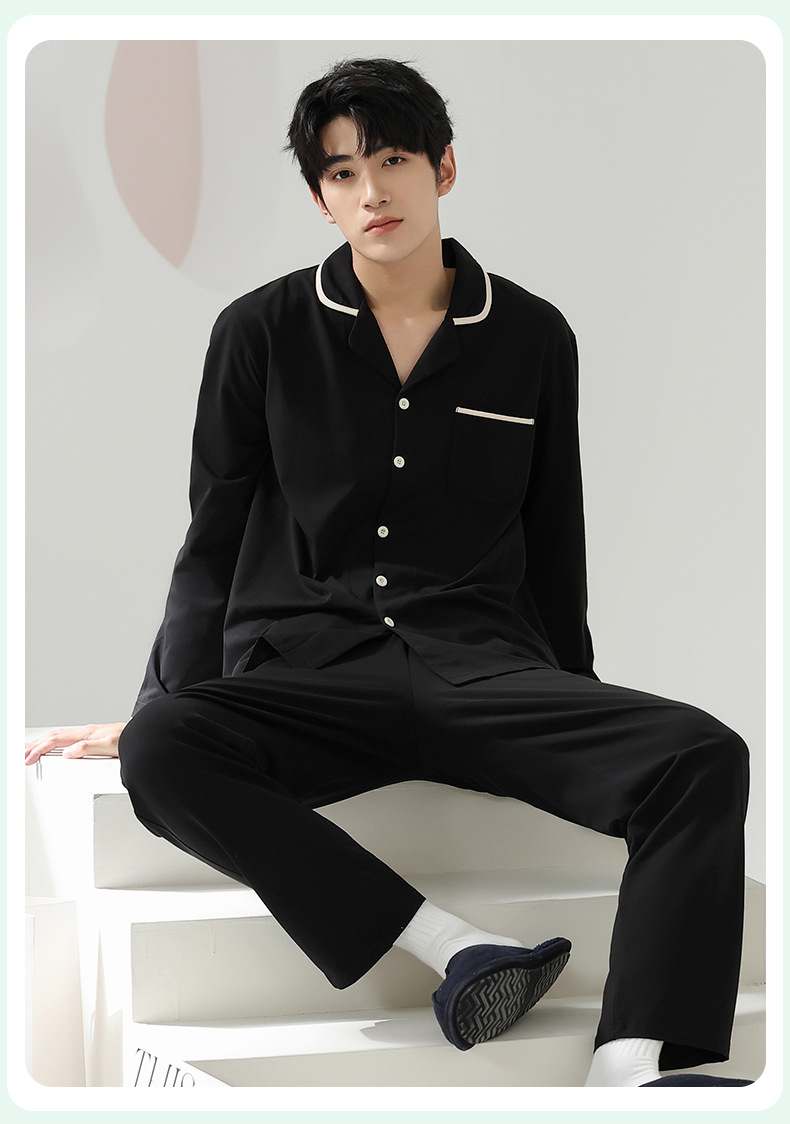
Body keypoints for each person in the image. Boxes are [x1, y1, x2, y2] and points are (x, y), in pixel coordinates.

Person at [25, 57, 753, 1088]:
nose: (371, 191)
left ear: (444, 168)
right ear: (320, 197)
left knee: (701, 753)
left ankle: (638, 1065)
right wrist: (163, 700)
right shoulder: (259, 332)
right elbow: (213, 539)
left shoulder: (532, 336)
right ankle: (454, 947)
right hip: (313, 671)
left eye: (394, 160)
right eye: (341, 173)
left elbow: (555, 536)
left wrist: (570, 714)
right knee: (162, 748)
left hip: (481, 666)